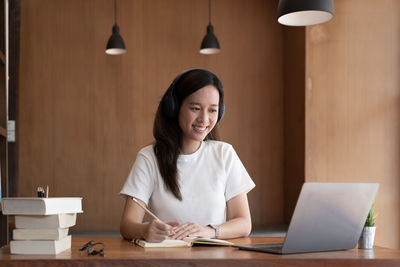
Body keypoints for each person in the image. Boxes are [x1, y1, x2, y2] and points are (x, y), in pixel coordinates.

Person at [120, 68, 255, 243]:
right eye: (195, 108)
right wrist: (145, 229)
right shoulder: (149, 158)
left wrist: (210, 231)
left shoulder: (224, 154)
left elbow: (244, 224)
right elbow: (127, 225)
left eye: (212, 110)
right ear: (174, 108)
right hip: (166, 259)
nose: (204, 119)